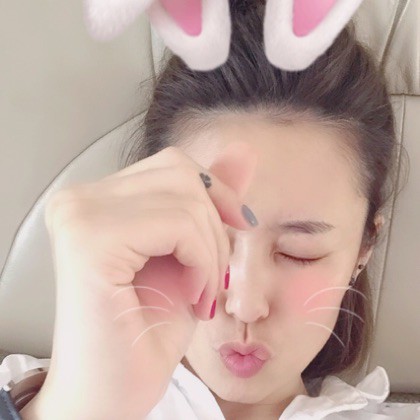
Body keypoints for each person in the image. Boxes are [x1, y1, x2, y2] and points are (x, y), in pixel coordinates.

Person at [1, 0, 419, 419]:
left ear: (363, 249)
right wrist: (77, 407)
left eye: (298, 253)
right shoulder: (36, 396)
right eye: (209, 236)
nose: (244, 306)